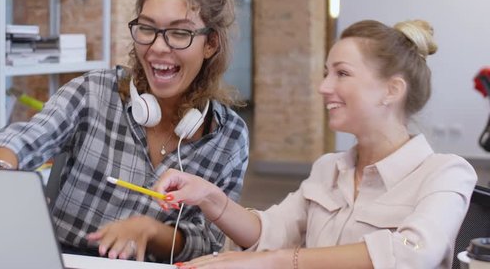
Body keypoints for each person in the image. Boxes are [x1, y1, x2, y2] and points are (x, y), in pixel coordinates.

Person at [0, 0, 249, 263]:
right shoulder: (93, 91)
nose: (158, 47)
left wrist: (152, 232)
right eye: (147, 28)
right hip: (63, 258)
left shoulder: (229, 137)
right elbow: (22, 139)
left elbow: (207, 242)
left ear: (210, 44)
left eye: (179, 33)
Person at [154, 19, 478, 268]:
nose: (324, 87)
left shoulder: (447, 174)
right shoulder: (328, 169)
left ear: (391, 90)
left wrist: (281, 261)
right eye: (327, 73)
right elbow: (270, 231)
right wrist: (209, 197)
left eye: (341, 74)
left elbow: (411, 254)